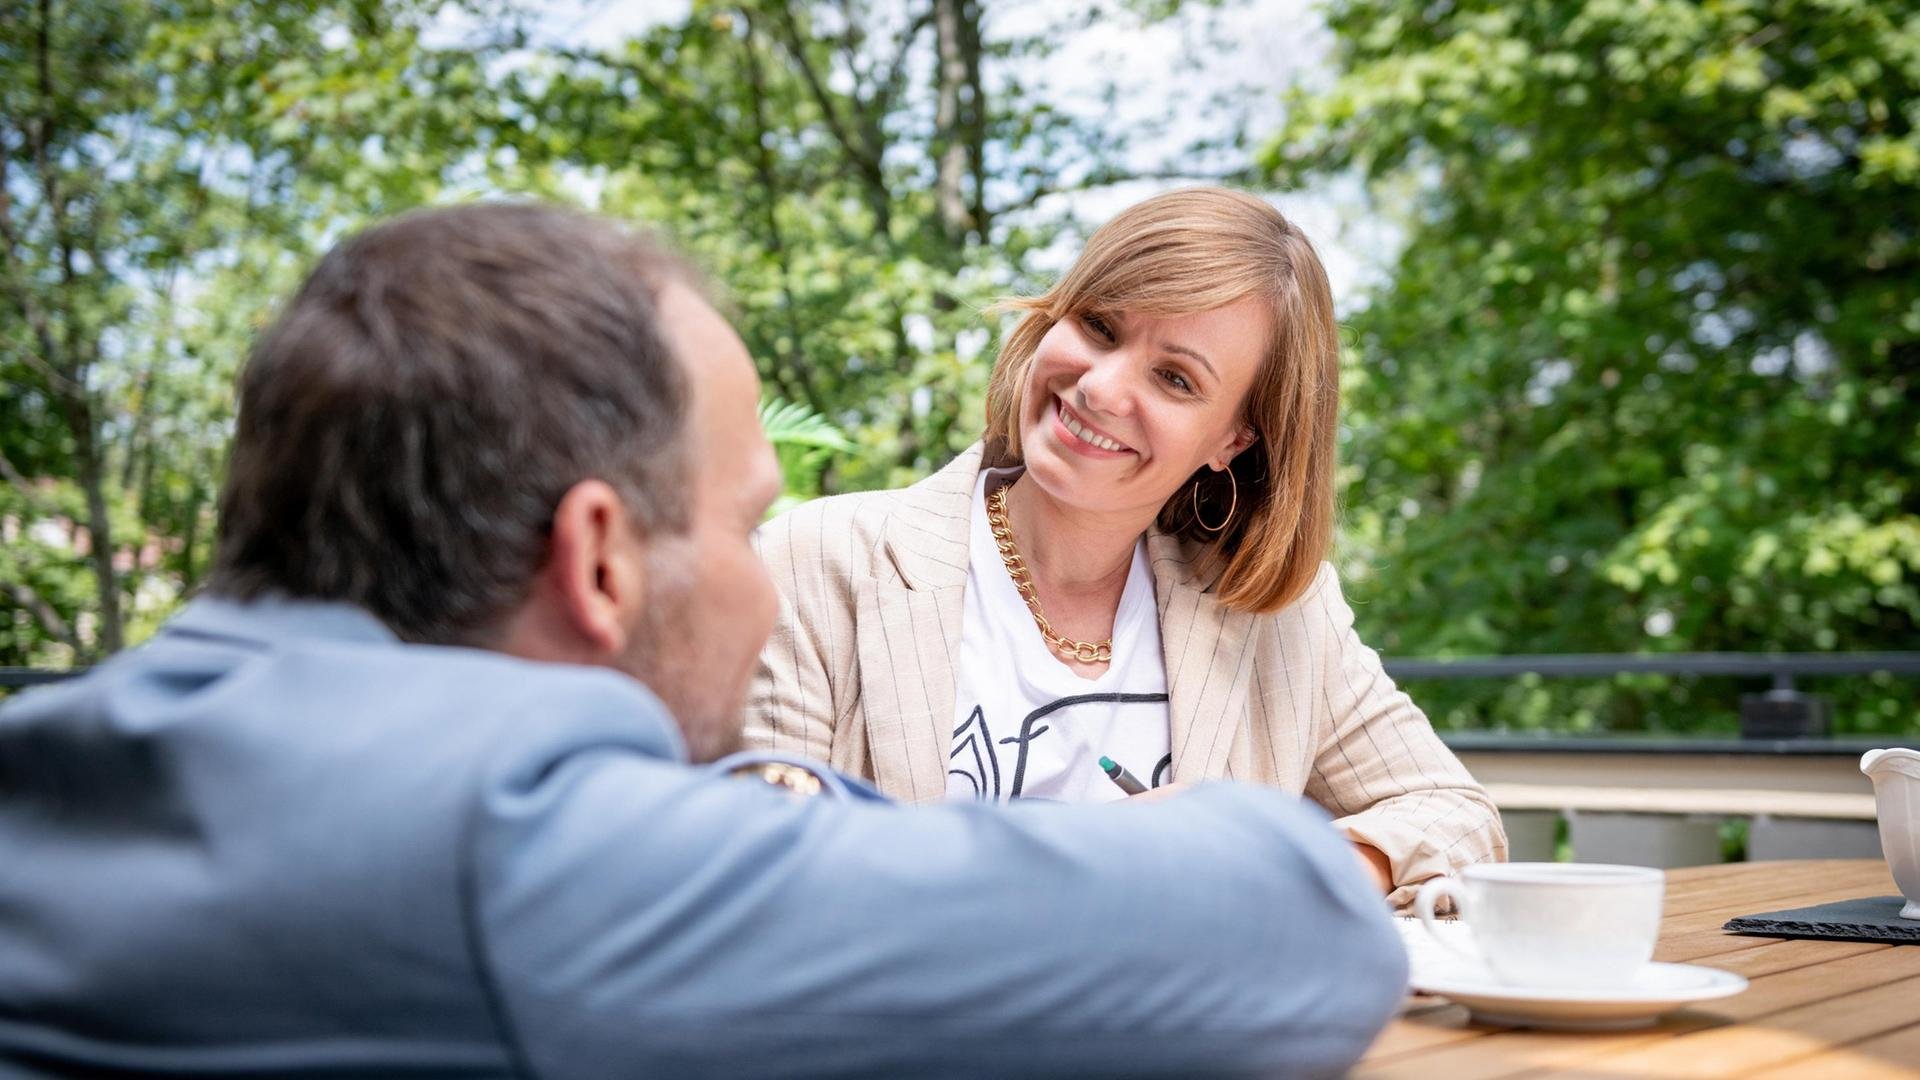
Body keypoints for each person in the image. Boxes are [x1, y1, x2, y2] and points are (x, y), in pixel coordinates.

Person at [0, 203, 1408, 1079]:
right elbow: (1297, 928)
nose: (763, 577)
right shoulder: (530, 866)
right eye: (744, 527)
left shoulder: (51, 773)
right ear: (599, 560)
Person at [748, 187, 1506, 906]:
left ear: (1234, 439)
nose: (1102, 389)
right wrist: (1083, 854)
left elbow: (1456, 817)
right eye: (1100, 328)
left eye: (1175, 379)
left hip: (1185, 1041)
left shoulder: (1276, 617)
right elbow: (761, 863)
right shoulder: (821, 560)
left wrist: (1281, 861)